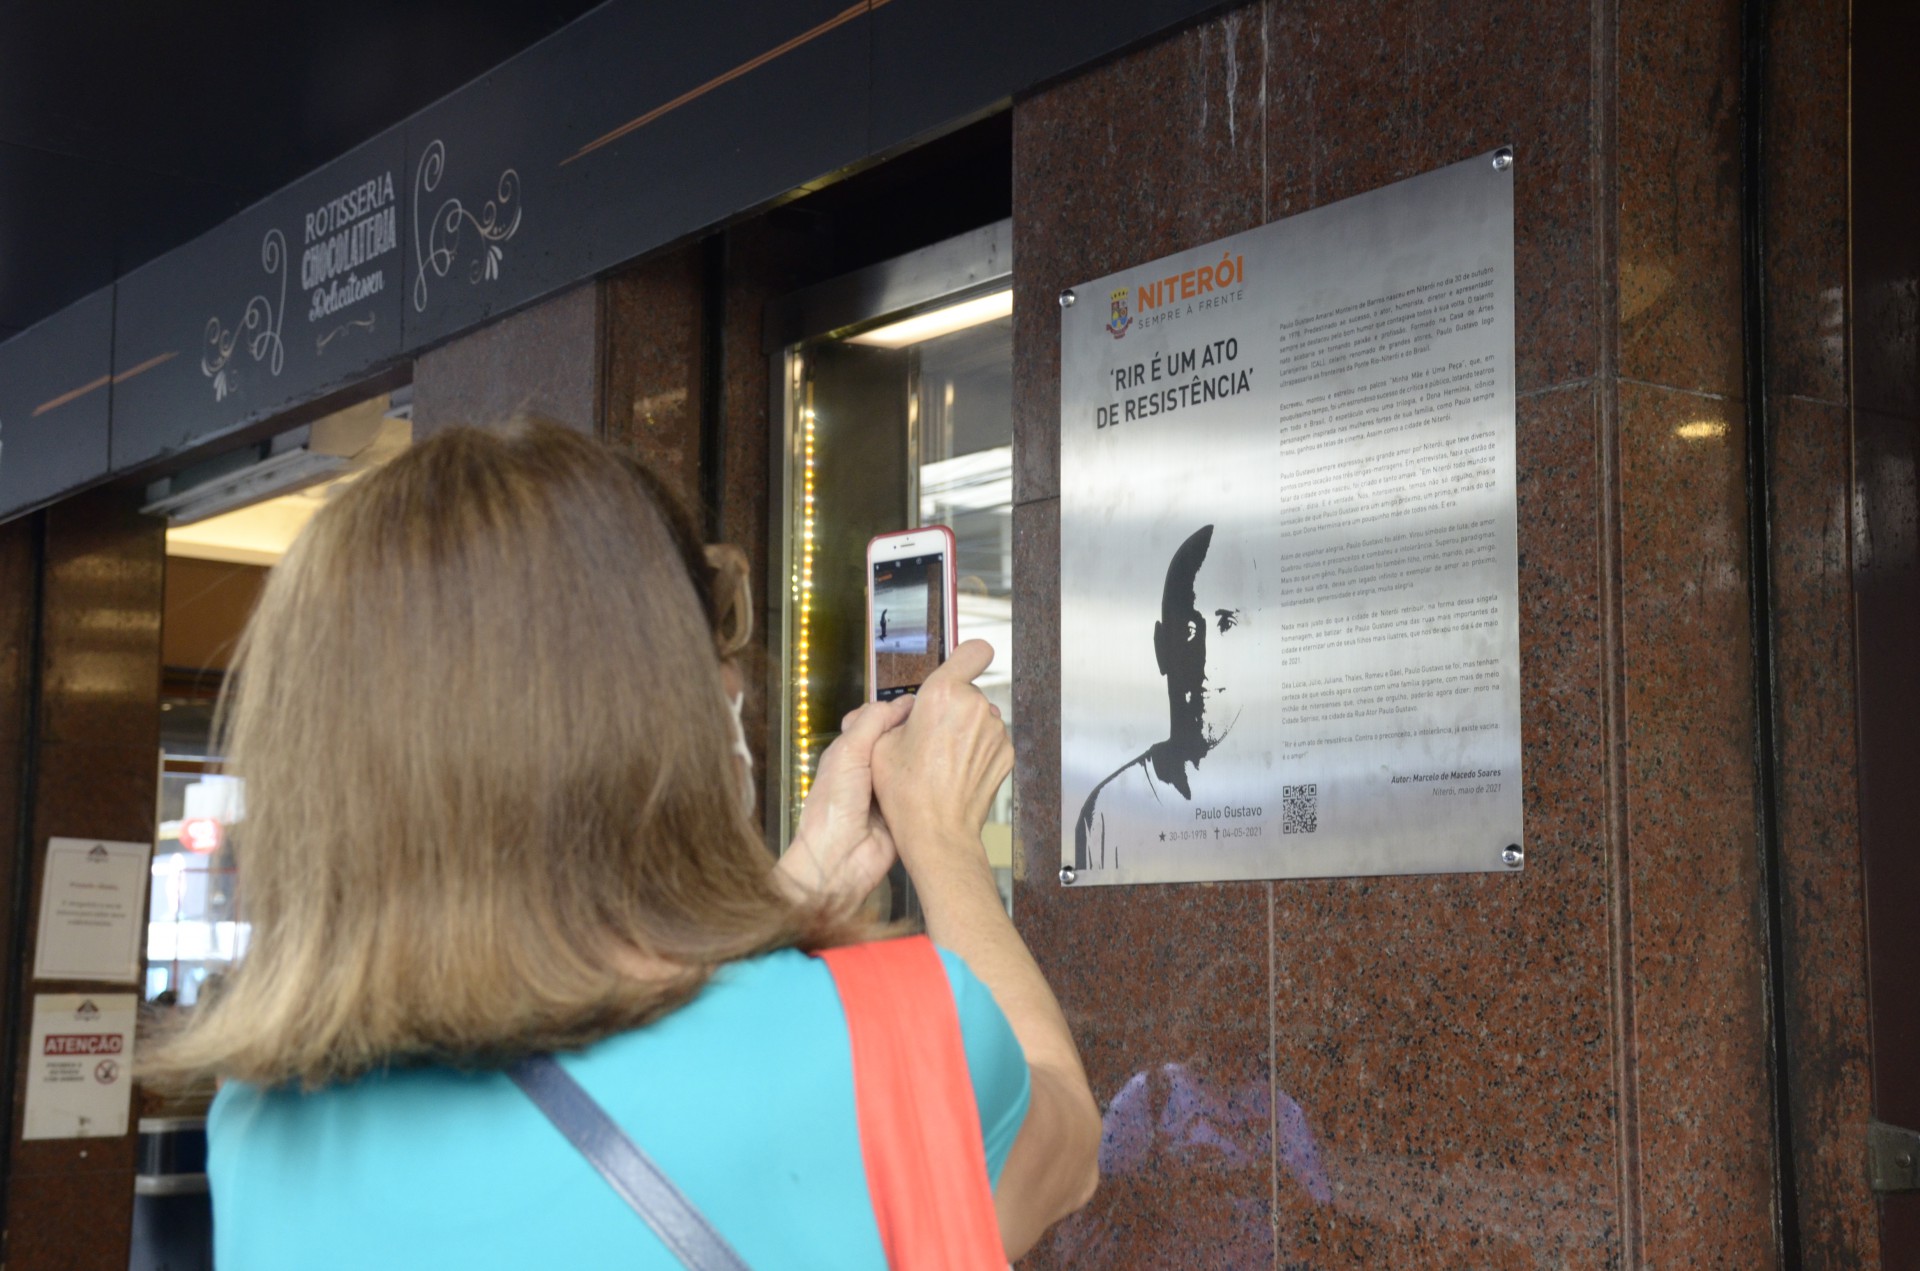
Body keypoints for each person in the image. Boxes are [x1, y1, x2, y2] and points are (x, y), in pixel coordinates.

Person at [140, 419, 1099, 1267]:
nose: (732, 690)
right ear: (653, 717)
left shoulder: (263, 1119)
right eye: (711, 664)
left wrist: (795, 890)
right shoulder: (877, 1039)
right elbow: (1065, 1141)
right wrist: (941, 837)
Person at [1072, 523, 1244, 870]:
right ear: (1161, 647)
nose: (1208, 656)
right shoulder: (1104, 815)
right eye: (1192, 630)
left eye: (1226, 626)